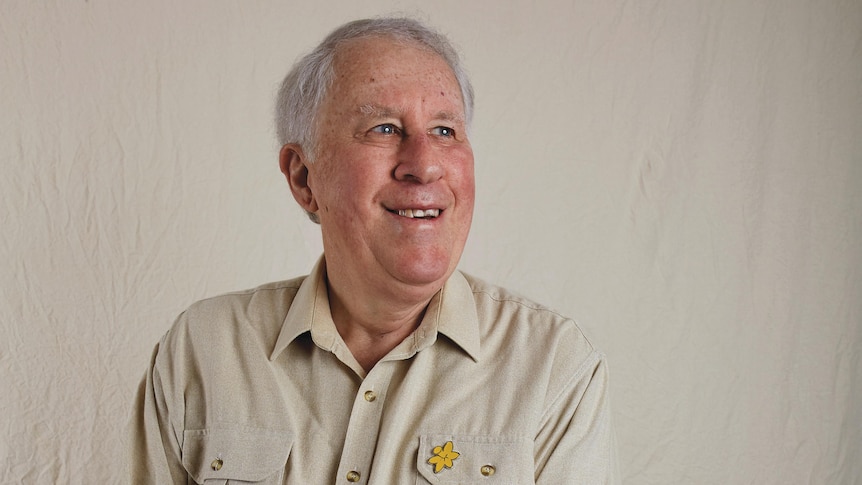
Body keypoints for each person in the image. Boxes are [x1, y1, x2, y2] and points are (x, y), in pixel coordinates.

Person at [129, 17, 618, 484]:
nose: (424, 166)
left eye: (445, 131)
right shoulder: (203, 349)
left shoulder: (554, 368)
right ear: (304, 178)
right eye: (384, 128)